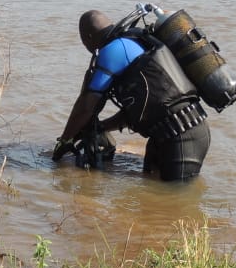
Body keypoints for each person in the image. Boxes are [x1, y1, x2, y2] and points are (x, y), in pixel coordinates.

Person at [53, 10, 210, 181]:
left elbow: (86, 106)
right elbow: (139, 111)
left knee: (176, 199)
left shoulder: (111, 52)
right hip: (172, 133)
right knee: (153, 195)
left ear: (88, 38)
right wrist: (101, 128)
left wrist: (65, 140)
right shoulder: (135, 39)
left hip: (181, 138)